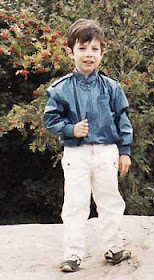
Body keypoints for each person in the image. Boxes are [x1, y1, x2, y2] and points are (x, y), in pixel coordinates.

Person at [44, 19, 133, 272]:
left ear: (102, 53)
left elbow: (123, 120)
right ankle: (73, 253)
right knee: (75, 204)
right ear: (70, 51)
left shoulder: (112, 87)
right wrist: (70, 129)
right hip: (76, 153)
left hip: (107, 153)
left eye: (94, 49)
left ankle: (114, 248)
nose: (89, 54)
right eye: (82, 49)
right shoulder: (59, 89)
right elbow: (50, 120)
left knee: (110, 200)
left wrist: (125, 152)